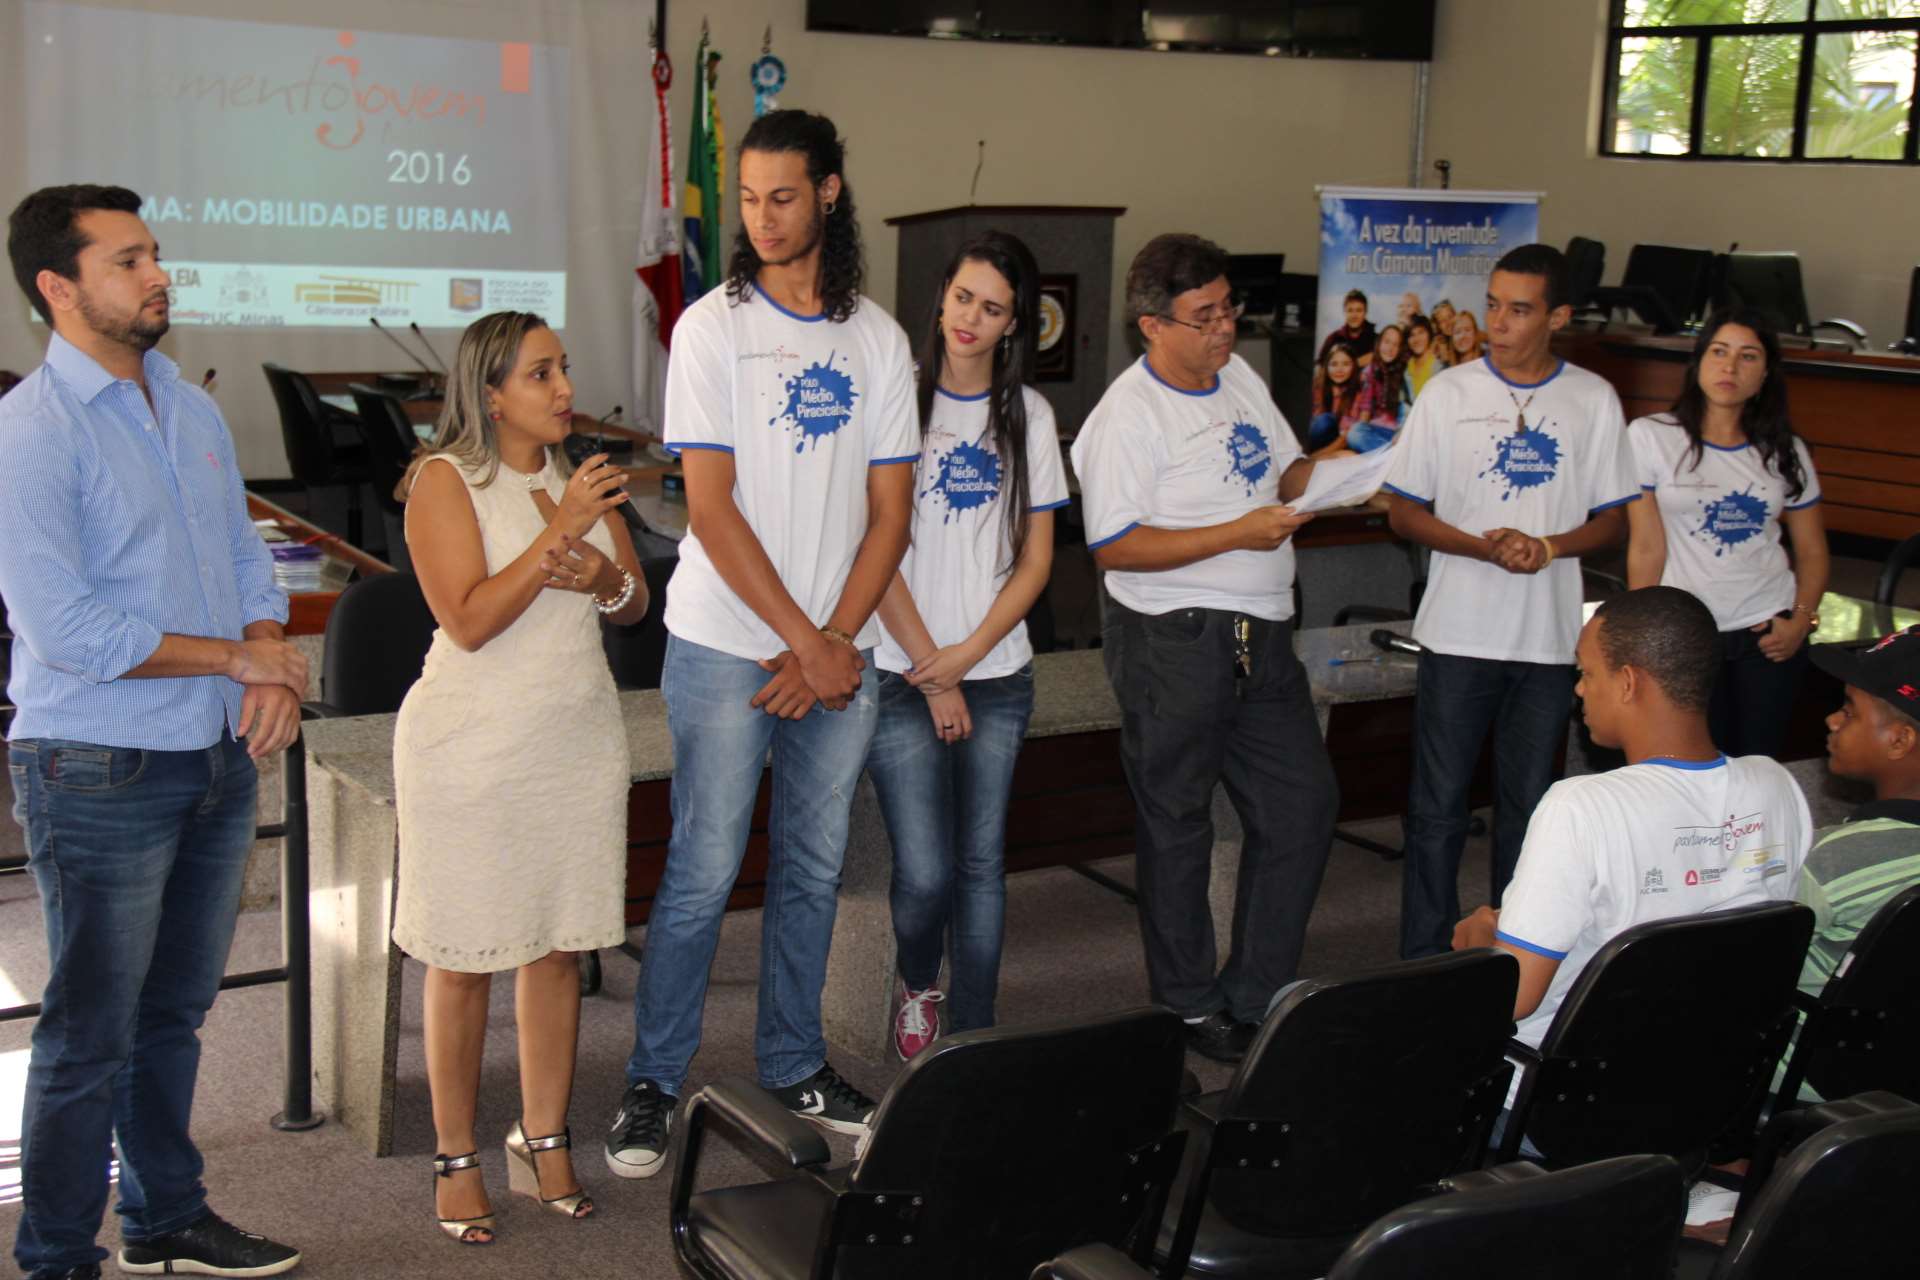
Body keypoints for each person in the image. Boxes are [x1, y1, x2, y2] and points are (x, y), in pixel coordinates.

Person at [0, 185, 305, 1279]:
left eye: (155, 253)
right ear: (58, 286)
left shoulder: (189, 404)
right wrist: (236, 657)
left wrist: (264, 643)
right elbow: (66, 626)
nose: (156, 274)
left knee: (173, 1013)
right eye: (127, 260)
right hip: (95, 764)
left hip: (212, 756)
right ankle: (53, 1258)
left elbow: (238, 556)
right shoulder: (29, 431)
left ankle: (165, 1215)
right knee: (88, 1035)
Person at [606, 109, 915, 1178]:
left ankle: (793, 1062)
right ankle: (653, 1076)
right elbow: (713, 510)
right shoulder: (711, 329)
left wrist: (833, 641)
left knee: (814, 869)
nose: (762, 217)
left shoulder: (879, 338)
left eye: (783, 195)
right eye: (747, 197)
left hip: (836, 646)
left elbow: (891, 516)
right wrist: (806, 642)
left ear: (830, 192)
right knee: (700, 867)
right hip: (725, 642)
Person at [395, 311, 647, 1244]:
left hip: (574, 741)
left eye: (565, 369)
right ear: (490, 392)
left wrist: (600, 577)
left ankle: (542, 1137)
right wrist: (565, 537)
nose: (565, 389)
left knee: (556, 950)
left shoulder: (579, 477)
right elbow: (469, 620)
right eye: (541, 374)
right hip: (471, 750)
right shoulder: (443, 480)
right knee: (462, 958)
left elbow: (633, 603)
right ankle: (455, 1155)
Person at [1074, 233, 1335, 1064]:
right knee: (1179, 823)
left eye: (1230, 309)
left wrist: (1343, 472)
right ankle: (1188, 1005)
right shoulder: (1127, 416)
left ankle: (1257, 993)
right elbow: (1113, 544)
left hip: (1266, 634)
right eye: (1204, 317)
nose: (1225, 329)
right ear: (1153, 325)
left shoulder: (1241, 377)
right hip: (1173, 638)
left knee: (1302, 805)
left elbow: (1286, 472)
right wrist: (1239, 531)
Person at [1384, 243, 1640, 960]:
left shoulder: (1591, 399)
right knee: (1435, 812)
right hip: (1458, 637)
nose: (1497, 321)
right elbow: (1403, 511)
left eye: (1519, 309)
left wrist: (1549, 547)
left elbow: (1615, 521)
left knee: (1529, 816)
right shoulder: (1448, 392)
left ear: (1557, 316)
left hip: (1548, 646)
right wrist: (1481, 545)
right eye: (1493, 304)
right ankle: (1425, 962)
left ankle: (1514, 960)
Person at [1454, 586, 1811, 1080]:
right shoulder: (1777, 785)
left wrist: (1477, 938)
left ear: (1627, 683)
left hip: (1564, 1097)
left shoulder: (1580, 807)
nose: (1579, 689)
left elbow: (1513, 997)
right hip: (1710, 1082)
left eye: (1586, 673)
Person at [867, 230, 1070, 1059]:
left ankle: (975, 1036)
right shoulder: (893, 400)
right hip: (898, 672)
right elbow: (869, 550)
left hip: (997, 675)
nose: (972, 320)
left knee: (982, 864)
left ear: (1014, 324)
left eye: (992, 309)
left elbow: (1038, 559)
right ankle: (921, 980)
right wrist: (933, 670)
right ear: (941, 297)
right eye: (962, 298)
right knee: (925, 872)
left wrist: (971, 655)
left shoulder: (1030, 416)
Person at [1625, 309, 1827, 759]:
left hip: (1767, 634)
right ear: (1698, 362)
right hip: (1687, 635)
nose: (1730, 367)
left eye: (1747, 356)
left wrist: (1802, 620)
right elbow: (1645, 546)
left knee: (1760, 764)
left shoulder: (1785, 451)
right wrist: (1644, 634)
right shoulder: (1651, 437)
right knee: (1690, 763)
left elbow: (1812, 551)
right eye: (1719, 352)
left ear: (1766, 373)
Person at [1796, 626, 1920, 1000]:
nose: (1833, 720)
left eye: (1849, 712)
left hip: (1805, 1053)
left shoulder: (1831, 861)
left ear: (1899, 740)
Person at [1345, 321, 1410, 453]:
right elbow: (1365, 410)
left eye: (1395, 344)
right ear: (1379, 343)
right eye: (1387, 342)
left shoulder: (1404, 373)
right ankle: (1393, 456)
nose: (1390, 348)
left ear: (1400, 349)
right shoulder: (1370, 371)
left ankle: (1395, 454)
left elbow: (1406, 410)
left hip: (1399, 432)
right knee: (1355, 433)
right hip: (1375, 433)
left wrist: (1401, 433)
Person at [1306, 341, 1361, 451]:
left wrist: (1317, 456)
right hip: (1323, 443)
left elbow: (1347, 435)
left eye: (1346, 364)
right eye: (1334, 364)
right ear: (1327, 366)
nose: (1339, 370)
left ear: (1354, 366)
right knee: (1323, 420)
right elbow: (1316, 424)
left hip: (1345, 442)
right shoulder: (1320, 387)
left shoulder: (1359, 391)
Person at [1318, 287, 1377, 364]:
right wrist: (1358, 362)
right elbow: (1319, 367)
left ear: (1365, 312)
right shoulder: (1333, 339)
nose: (1354, 315)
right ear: (1344, 312)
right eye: (1350, 310)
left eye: (1359, 310)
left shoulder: (1377, 340)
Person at [1404, 314, 1442, 398]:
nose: (1417, 339)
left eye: (1421, 332)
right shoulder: (1405, 371)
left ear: (1429, 334)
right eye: (1411, 335)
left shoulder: (1440, 368)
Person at [1430, 299, 1459, 365]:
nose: (1448, 323)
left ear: (1456, 316)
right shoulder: (1440, 344)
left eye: (1450, 317)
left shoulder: (1469, 333)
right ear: (1438, 326)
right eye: (1442, 321)